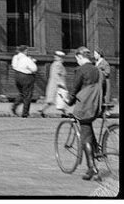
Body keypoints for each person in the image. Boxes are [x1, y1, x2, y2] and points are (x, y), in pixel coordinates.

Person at [66, 46, 104, 181]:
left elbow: (75, 89)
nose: (76, 61)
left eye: (77, 58)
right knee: (88, 128)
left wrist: (69, 101)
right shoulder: (97, 70)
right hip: (96, 105)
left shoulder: (80, 70)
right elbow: (103, 87)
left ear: (79, 57)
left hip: (85, 106)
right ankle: (97, 151)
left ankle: (91, 168)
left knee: (85, 137)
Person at [10, 44, 38, 118]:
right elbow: (34, 69)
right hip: (27, 77)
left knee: (22, 93)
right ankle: (25, 113)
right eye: (27, 50)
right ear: (25, 51)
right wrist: (33, 61)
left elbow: (14, 66)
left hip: (17, 76)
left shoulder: (15, 57)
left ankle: (14, 106)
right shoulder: (27, 59)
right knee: (27, 95)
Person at [39, 51, 66, 117]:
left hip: (54, 84)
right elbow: (56, 75)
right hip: (56, 85)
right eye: (61, 57)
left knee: (55, 99)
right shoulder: (58, 64)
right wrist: (60, 83)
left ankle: (42, 110)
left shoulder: (55, 64)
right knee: (59, 99)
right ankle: (64, 113)